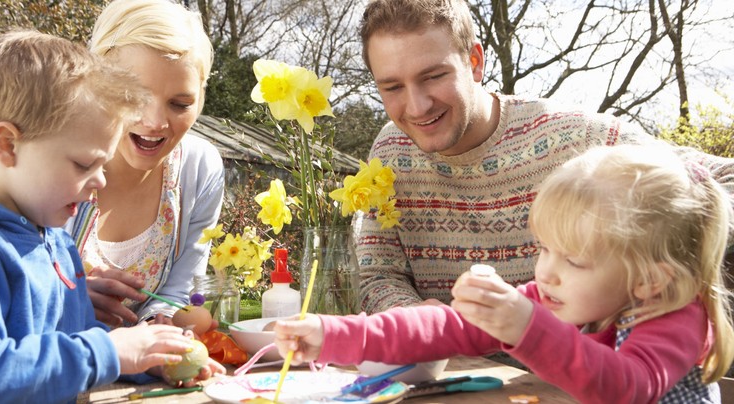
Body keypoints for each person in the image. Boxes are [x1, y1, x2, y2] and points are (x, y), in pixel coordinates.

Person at [353, 0, 734, 314]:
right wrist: (410, 316)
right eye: (392, 86)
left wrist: (651, 264)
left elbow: (719, 182)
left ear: (474, 62)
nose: (417, 106)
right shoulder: (389, 155)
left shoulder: (577, 140)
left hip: (584, 379)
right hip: (452, 377)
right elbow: (377, 275)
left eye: (433, 76)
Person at [275, 145, 734, 403]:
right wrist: (333, 333)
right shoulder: (563, 294)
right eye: (545, 249)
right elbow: (448, 326)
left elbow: (626, 387)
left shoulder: (677, 318)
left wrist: (527, 329)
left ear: (649, 281)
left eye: (573, 260)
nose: (546, 272)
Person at [0, 30, 222, 403]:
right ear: (7, 145)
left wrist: (147, 357)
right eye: (84, 164)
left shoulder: (54, 243)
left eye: (102, 164)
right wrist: (108, 353)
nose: (100, 180)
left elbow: (77, 349)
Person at [65, 0, 226, 327]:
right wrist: (66, 296)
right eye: (134, 95)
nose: (155, 122)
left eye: (179, 104)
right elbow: (7, 282)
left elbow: (180, 289)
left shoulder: (199, 169)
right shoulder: (57, 161)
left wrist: (161, 323)